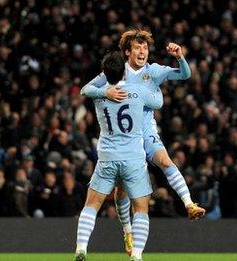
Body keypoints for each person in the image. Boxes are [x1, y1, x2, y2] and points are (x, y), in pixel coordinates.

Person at [81, 28, 205, 256]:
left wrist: (180, 57)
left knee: (165, 160)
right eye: (137, 47)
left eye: (145, 47)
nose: (142, 51)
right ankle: (127, 231)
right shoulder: (116, 72)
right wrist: (106, 93)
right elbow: (87, 89)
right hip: (126, 138)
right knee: (121, 191)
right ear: (127, 51)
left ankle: (189, 204)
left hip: (146, 131)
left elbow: (185, 74)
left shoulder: (154, 71)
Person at [75, 51, 163, 261]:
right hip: (133, 159)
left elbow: (85, 90)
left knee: (92, 205)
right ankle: (137, 256)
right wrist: (155, 85)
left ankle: (81, 248)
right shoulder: (139, 91)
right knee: (141, 209)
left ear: (104, 73)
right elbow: (158, 103)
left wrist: (104, 92)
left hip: (107, 156)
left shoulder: (99, 94)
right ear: (124, 71)